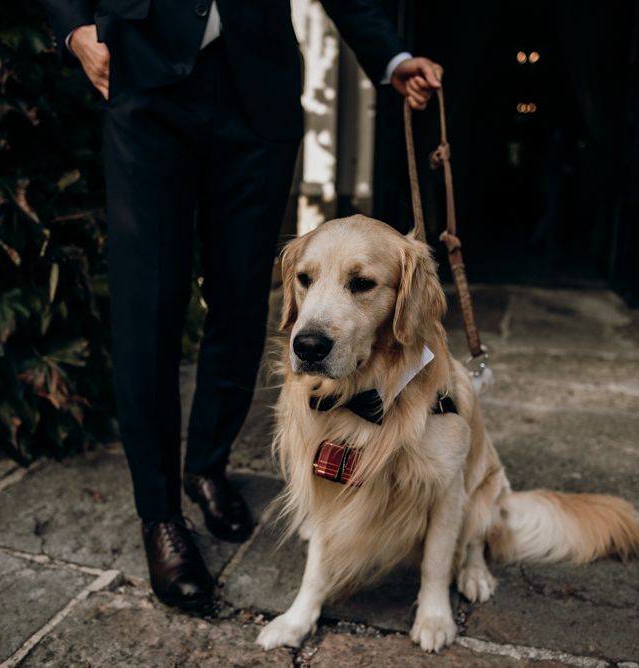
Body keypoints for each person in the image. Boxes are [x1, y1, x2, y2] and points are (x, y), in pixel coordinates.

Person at [40, 0, 442, 612]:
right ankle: (160, 514)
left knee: (241, 298)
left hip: (258, 91)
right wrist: (74, 30)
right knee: (147, 307)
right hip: (143, 77)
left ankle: (207, 464)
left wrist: (391, 54)